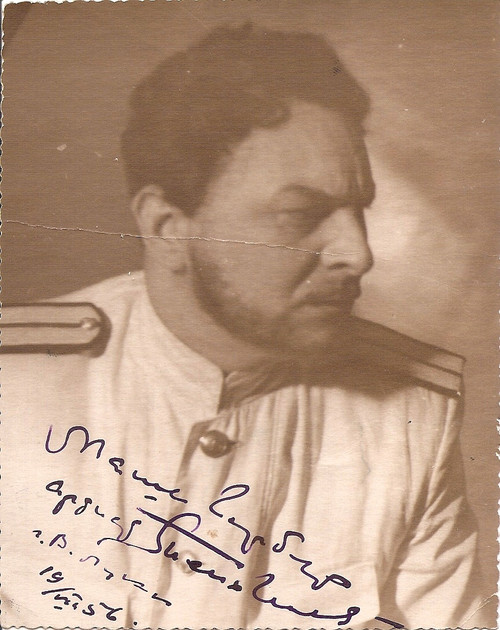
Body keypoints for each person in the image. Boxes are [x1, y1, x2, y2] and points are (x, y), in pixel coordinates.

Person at [1, 23, 493, 629]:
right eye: (300, 214)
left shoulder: (413, 417)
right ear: (166, 227)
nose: (358, 254)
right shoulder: (13, 385)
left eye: (358, 209)